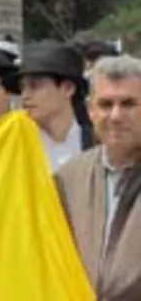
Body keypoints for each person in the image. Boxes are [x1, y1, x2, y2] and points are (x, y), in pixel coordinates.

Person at [56, 55, 141, 299]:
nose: (115, 116)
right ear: (90, 110)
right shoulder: (68, 179)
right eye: (105, 105)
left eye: (128, 104)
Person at [18, 41, 94, 170]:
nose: (25, 95)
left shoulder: (97, 142)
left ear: (68, 89)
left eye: (35, 86)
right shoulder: (17, 145)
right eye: (22, 88)